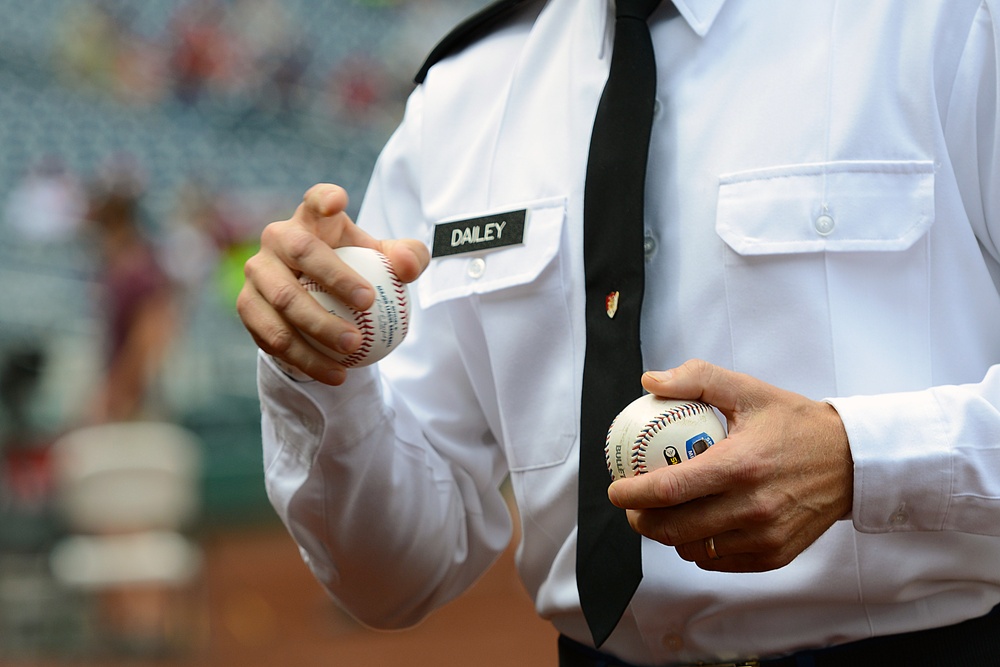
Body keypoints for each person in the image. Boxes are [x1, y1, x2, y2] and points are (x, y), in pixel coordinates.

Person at [237, 1, 1000, 665]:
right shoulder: (463, 96)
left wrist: (859, 459)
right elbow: (393, 576)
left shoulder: (947, 19)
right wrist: (321, 367)